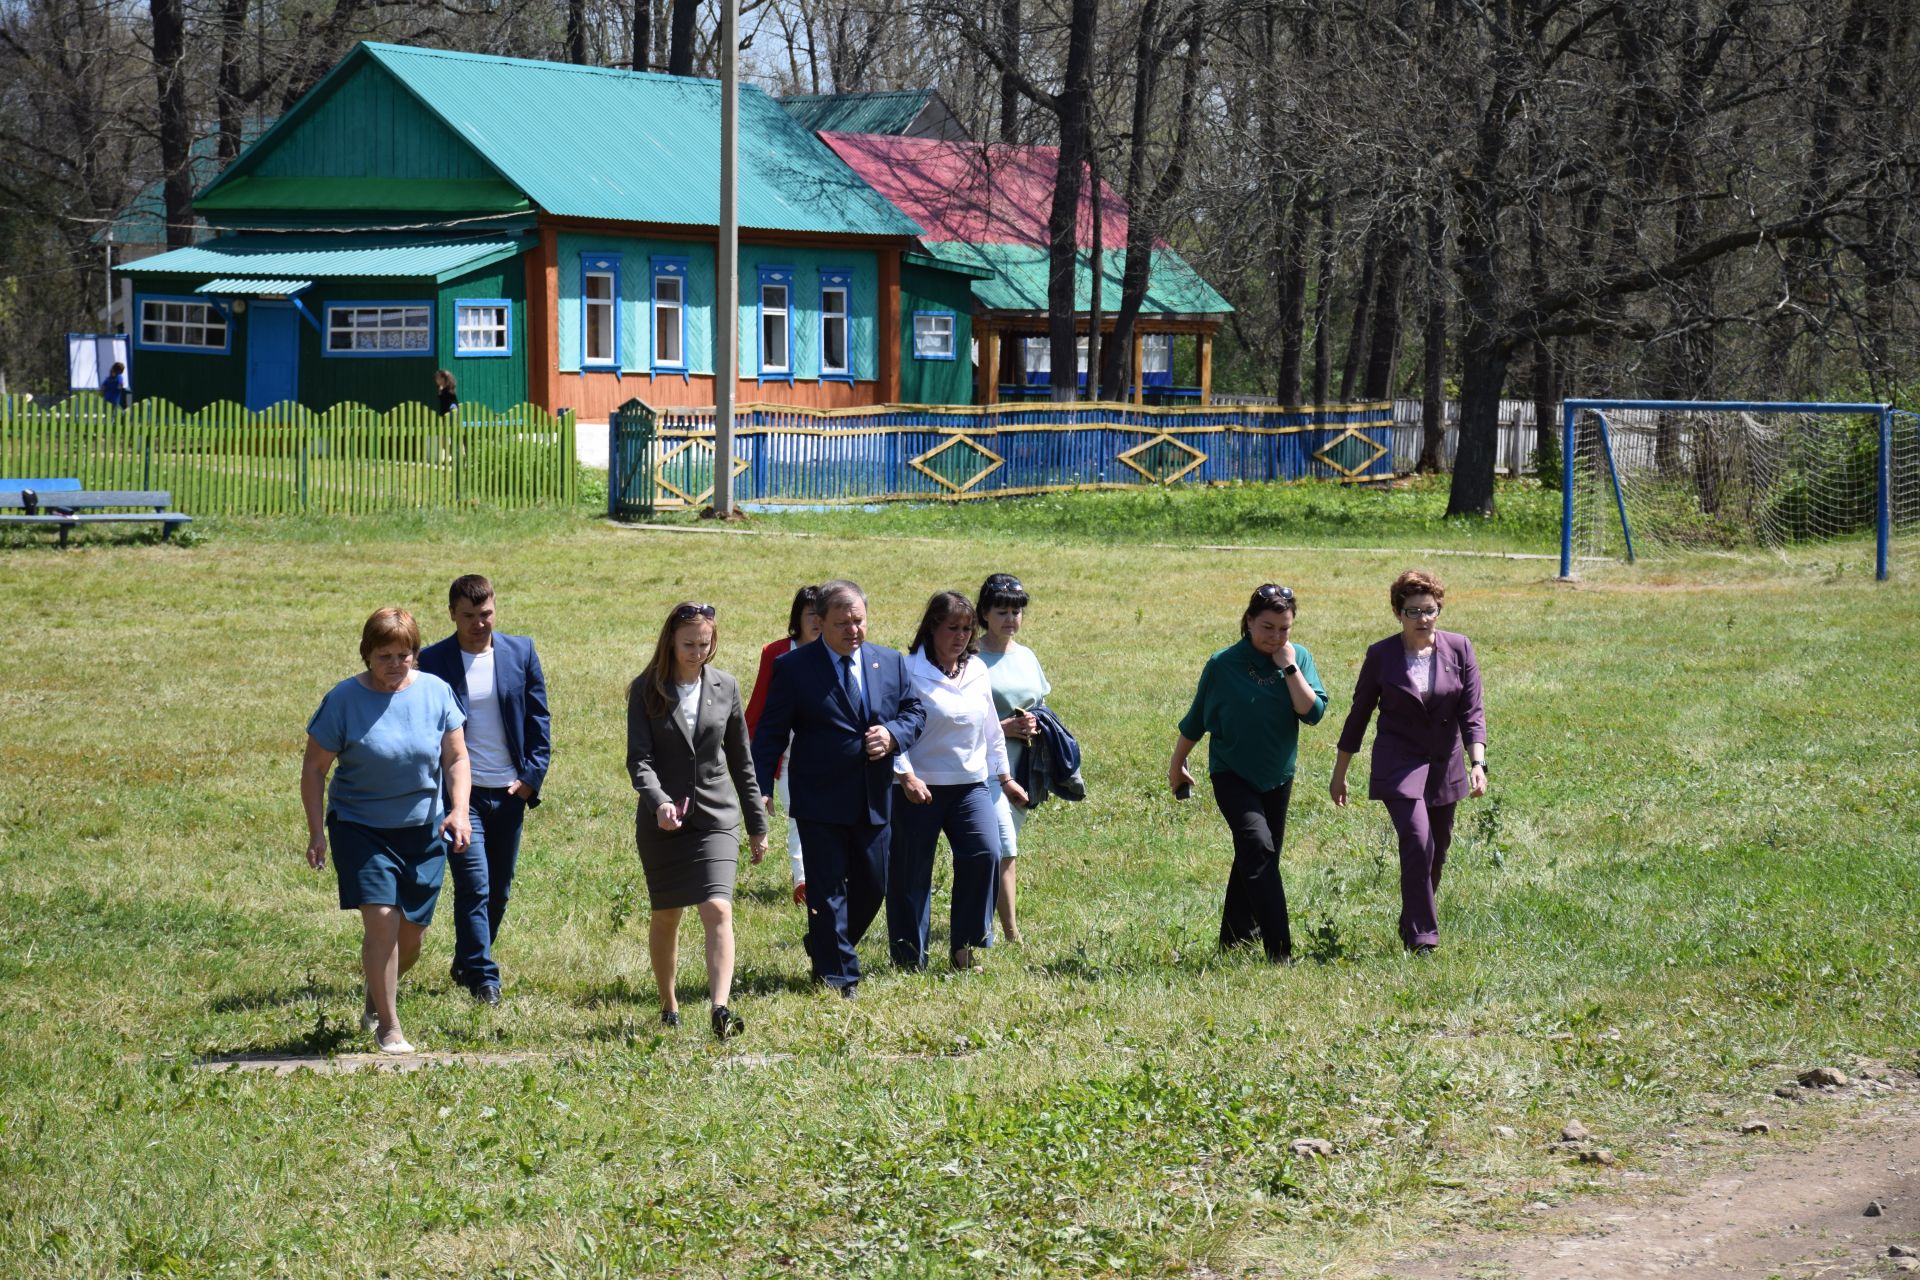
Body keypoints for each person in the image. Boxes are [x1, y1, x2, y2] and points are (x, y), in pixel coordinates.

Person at [301, 608, 471, 1054]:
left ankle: (377, 991)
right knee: (381, 922)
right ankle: (389, 1026)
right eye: (385, 656)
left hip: (423, 829)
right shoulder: (342, 700)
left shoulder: (436, 693)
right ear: (366, 654)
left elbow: (456, 758)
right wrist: (317, 832)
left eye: (405, 654)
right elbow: (315, 769)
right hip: (361, 827)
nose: (396, 665)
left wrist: (459, 811)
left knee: (410, 937)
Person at [750, 580, 925, 999]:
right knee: (826, 890)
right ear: (820, 623)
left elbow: (915, 710)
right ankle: (840, 977)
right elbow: (771, 731)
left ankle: (824, 945)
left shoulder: (890, 662)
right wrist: (760, 787)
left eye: (859, 620)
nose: (853, 630)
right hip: (819, 798)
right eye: (842, 622)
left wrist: (893, 734)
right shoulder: (795, 668)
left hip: (873, 795)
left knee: (873, 885)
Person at [627, 602, 770, 1038]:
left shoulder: (726, 686)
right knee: (667, 913)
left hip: (715, 816)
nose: (697, 652)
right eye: (689, 644)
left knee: (717, 906)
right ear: (670, 640)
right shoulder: (646, 688)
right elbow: (640, 761)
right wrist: (658, 802)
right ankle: (669, 1005)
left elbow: (742, 761)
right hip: (662, 822)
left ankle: (719, 1008)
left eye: (705, 644)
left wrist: (757, 825)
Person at [1330, 569, 1487, 954]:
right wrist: (1340, 773)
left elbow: (1472, 711)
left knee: (1437, 851)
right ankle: (1423, 939)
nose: (1423, 619)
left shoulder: (1460, 648)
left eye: (1430, 610)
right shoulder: (1381, 655)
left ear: (1439, 609)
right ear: (1397, 613)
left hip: (1445, 764)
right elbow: (1359, 715)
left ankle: (1411, 920)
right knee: (1417, 841)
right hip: (1398, 763)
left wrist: (1477, 762)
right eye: (1413, 611)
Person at [1169, 584, 1328, 963]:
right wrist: (1177, 765)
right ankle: (1280, 951)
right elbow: (1195, 721)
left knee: (1255, 856)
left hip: (1278, 775)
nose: (1276, 636)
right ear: (1249, 621)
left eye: (1284, 629)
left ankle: (1235, 939)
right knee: (1258, 848)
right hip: (1232, 773)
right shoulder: (1223, 664)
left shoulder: (1297, 658)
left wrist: (1288, 666)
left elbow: (1313, 713)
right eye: (1268, 627)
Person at [417, 575, 551, 1005]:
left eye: (486, 613)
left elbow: (538, 720)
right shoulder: (434, 660)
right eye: (469, 616)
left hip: (510, 791)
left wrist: (532, 776)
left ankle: (468, 959)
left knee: (500, 888)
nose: (479, 623)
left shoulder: (520, 652)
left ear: (496, 608)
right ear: (452, 614)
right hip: (462, 796)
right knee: (474, 884)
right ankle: (484, 978)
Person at [887, 592, 1028, 972]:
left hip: (970, 784)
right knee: (910, 873)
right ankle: (908, 958)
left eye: (967, 629)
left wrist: (1006, 778)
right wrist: (905, 774)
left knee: (986, 853)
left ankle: (964, 949)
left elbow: (990, 732)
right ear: (932, 627)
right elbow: (892, 730)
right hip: (918, 789)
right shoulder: (906, 670)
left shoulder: (977, 669)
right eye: (953, 628)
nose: (961, 636)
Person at [976, 572, 1049, 943]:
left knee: (1003, 846)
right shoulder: (971, 658)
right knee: (1004, 847)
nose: (1010, 619)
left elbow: (1041, 701)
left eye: (1016, 612)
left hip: (1026, 766)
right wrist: (1001, 729)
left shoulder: (1027, 656)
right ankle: (1009, 933)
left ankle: (982, 920)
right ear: (984, 613)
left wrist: (1035, 722)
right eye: (1002, 611)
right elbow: (961, 718)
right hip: (986, 769)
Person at [745, 585, 823, 905]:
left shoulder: (838, 651)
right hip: (788, 756)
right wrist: (752, 760)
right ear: (798, 618)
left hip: (827, 755)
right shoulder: (776, 652)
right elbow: (759, 704)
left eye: (822, 614)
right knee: (796, 814)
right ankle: (802, 881)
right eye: (810, 615)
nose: (817, 621)